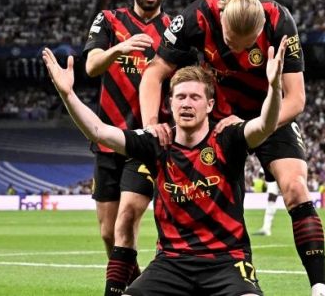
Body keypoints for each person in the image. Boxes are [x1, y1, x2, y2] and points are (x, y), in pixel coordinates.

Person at [42, 34, 283, 295]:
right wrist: (67, 94)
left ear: (210, 104)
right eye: (180, 97)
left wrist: (273, 87)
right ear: (170, 102)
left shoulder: (228, 138)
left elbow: (265, 125)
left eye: (194, 97)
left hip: (227, 261)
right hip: (171, 264)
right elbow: (99, 131)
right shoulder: (157, 142)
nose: (187, 104)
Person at [139, 0, 325, 296]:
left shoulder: (280, 22)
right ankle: (194, 272)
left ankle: (319, 287)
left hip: (270, 113)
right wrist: (150, 128)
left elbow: (295, 99)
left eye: (245, 45)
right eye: (229, 40)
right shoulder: (198, 16)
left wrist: (254, 124)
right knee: (210, 196)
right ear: (223, 21)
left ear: (259, 32)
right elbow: (154, 72)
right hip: (217, 121)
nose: (236, 50)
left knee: (296, 187)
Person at [81, 0, 175, 295]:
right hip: (108, 138)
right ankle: (135, 285)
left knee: (128, 217)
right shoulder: (109, 20)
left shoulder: (174, 30)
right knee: (108, 232)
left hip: (147, 142)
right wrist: (119, 49)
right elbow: (91, 67)